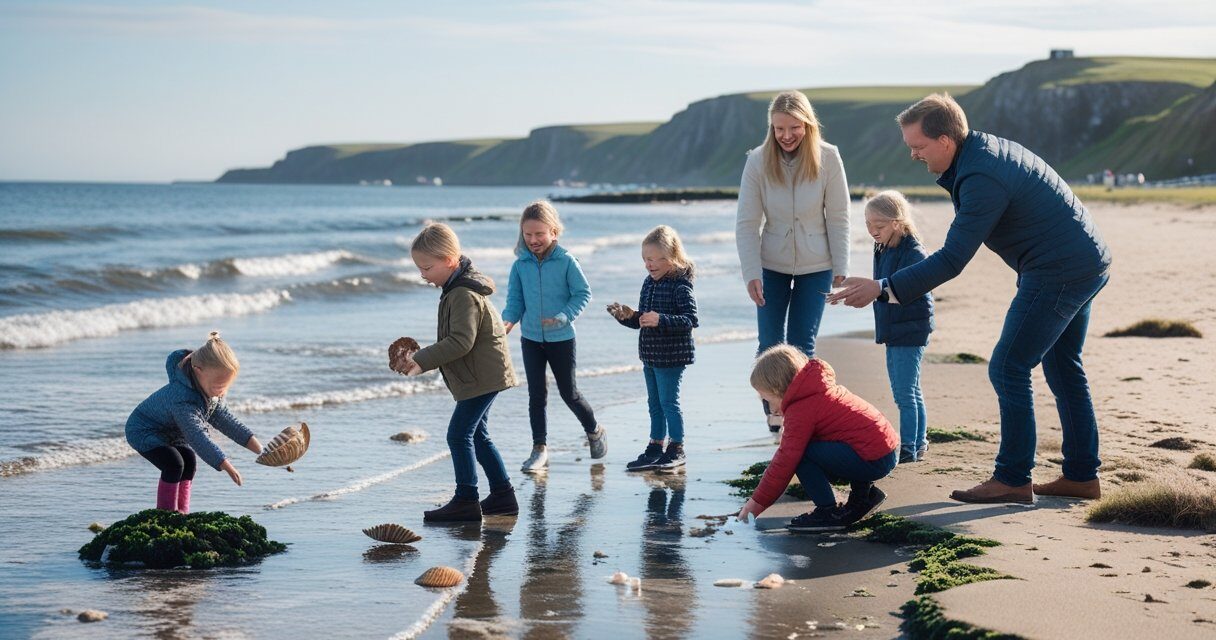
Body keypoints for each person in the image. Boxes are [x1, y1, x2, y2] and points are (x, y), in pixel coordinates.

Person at [829, 93, 1111, 504]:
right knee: (1062, 365)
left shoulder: (981, 176)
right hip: (1083, 261)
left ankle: (1014, 478)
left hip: (1060, 270)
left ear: (945, 140)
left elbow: (952, 259)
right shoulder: (980, 155)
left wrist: (883, 288)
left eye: (918, 146)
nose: (913, 155)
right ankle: (1082, 476)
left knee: (1008, 367)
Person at [735, 90, 851, 432]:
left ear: (807, 125)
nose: (786, 136)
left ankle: (799, 419)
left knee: (802, 345)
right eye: (779, 128)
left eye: (794, 128)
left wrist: (841, 266)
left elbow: (839, 216)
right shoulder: (757, 160)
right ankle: (774, 416)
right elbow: (746, 222)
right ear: (771, 128)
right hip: (770, 265)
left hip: (817, 266)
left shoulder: (829, 157)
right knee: (769, 343)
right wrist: (751, 273)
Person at [401, 223, 519, 522]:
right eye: (419, 268)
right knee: (478, 435)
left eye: (427, 267)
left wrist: (421, 359)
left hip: (484, 375)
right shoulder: (457, 288)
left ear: (450, 260)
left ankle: (466, 499)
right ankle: (503, 497)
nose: (422, 274)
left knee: (458, 435)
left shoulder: (462, 293)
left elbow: (460, 342)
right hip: (484, 373)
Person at [736, 345, 897, 532]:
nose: (768, 405)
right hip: (886, 450)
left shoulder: (801, 409)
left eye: (768, 399)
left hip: (873, 459)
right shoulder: (818, 389)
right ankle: (863, 497)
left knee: (800, 455)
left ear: (779, 389)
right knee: (838, 439)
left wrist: (754, 506)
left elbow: (784, 461)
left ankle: (827, 511)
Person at [502, 200, 606, 473]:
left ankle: (594, 430)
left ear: (553, 232)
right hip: (531, 339)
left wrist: (564, 316)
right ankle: (539, 449)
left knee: (568, 393)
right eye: (528, 234)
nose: (533, 240)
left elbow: (583, 293)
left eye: (539, 234)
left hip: (561, 338)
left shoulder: (566, 261)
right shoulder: (519, 266)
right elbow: (515, 300)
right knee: (536, 395)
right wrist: (508, 321)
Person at [125, 331, 263, 513]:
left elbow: (231, 424)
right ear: (198, 371)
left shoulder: (210, 395)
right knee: (174, 464)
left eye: (225, 387)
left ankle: (182, 512)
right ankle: (165, 514)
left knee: (189, 460)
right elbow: (197, 436)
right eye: (218, 386)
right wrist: (226, 465)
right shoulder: (182, 400)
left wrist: (263, 452)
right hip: (144, 430)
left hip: (171, 432)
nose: (221, 392)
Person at [607, 225, 698, 473]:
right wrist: (626, 317)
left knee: (669, 402)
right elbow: (642, 321)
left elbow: (690, 320)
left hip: (672, 356)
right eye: (647, 259)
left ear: (673, 259)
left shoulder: (681, 286)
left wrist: (661, 319)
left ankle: (676, 447)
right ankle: (655, 447)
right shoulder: (648, 283)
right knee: (654, 403)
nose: (651, 264)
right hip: (649, 354)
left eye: (658, 259)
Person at [865, 190, 934, 464]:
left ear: (897, 222)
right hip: (893, 327)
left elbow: (907, 289)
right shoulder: (883, 247)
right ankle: (919, 443)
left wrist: (874, 292)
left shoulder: (913, 252)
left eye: (878, 226)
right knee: (909, 390)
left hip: (911, 327)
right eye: (868, 225)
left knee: (905, 392)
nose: (872, 231)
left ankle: (909, 448)